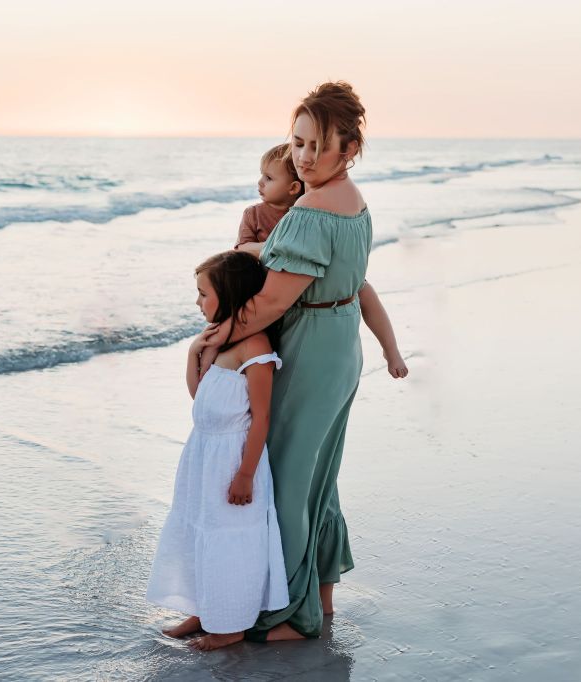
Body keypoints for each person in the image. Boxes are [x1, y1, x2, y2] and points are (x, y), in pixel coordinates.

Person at [201, 81, 383, 643]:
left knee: (285, 477)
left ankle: (287, 613)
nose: (302, 157)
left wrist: (215, 340)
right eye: (297, 143)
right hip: (341, 342)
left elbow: (274, 301)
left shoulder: (309, 210)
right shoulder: (354, 202)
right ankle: (318, 595)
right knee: (316, 477)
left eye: (316, 146)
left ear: (347, 149)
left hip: (310, 348)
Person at [146, 250, 290, 651]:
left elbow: (260, 419)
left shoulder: (255, 348)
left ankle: (230, 625)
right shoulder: (220, 343)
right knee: (198, 533)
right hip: (202, 456)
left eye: (202, 294)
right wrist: (195, 353)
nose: (197, 302)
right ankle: (203, 608)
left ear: (229, 295)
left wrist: (245, 475)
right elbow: (201, 401)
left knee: (229, 542)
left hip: (232, 459)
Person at [236, 144, 408, 378]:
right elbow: (241, 249)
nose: (260, 183)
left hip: (313, 285)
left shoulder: (309, 213)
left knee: (363, 288)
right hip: (272, 286)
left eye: (268, 177)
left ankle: (391, 350)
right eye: (261, 175)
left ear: (293, 187)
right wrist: (278, 246)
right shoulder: (253, 214)